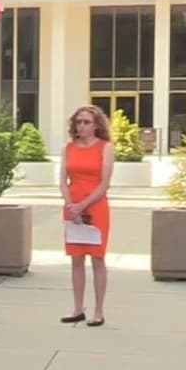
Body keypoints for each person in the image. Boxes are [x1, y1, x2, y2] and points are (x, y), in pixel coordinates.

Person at [59, 105, 114, 327]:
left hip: (95, 206)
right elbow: (63, 179)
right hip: (73, 207)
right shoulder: (68, 148)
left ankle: (98, 311)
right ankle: (77, 308)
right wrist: (70, 204)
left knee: (97, 259)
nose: (81, 126)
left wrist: (83, 205)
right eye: (78, 122)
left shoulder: (105, 147)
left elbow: (104, 183)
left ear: (96, 125)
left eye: (86, 122)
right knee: (76, 259)